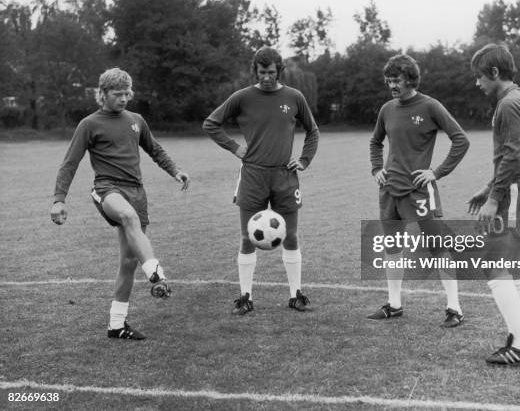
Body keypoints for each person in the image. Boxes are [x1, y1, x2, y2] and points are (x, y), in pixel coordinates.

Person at [50, 68, 190, 340]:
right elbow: (70, 163)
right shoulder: (89, 124)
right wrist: (59, 200)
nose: (124, 98)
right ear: (102, 94)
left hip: (137, 192)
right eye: (118, 94)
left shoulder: (136, 120)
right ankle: (156, 273)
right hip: (107, 189)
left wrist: (174, 170)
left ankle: (116, 324)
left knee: (127, 261)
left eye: (127, 93)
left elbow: (155, 149)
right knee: (128, 216)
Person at [203, 46, 319, 315]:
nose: (266, 77)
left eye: (271, 72)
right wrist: (234, 147)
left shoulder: (294, 96)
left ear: (279, 70)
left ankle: (296, 295)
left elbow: (312, 131)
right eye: (261, 72)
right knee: (247, 237)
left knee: (291, 235)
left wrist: (303, 160)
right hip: (253, 174)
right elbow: (211, 123)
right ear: (254, 71)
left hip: (284, 175)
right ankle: (245, 297)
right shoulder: (242, 97)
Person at [369, 54, 470, 327]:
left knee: (438, 247)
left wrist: (436, 172)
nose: (392, 85)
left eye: (397, 80)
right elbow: (375, 142)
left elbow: (461, 140)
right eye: (388, 80)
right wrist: (377, 168)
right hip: (390, 191)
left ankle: (454, 308)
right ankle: (394, 304)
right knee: (392, 248)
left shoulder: (430, 106)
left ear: (411, 79)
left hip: (420, 192)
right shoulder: (386, 109)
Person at [467, 43, 520, 364]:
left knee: (492, 265)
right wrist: (488, 189)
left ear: (495, 73)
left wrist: (496, 197)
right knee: (518, 265)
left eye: (479, 77)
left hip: (514, 192)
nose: (477, 83)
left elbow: (512, 154)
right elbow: (514, 155)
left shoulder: (508, 104)